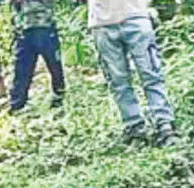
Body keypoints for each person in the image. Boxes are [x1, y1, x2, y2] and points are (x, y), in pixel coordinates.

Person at [85, 0, 175, 145]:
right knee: (118, 81)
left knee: (150, 74)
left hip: (135, 16)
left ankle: (164, 124)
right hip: (102, 22)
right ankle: (134, 126)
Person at [9, 0, 65, 111]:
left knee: (55, 67)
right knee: (22, 69)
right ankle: (17, 104)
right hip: (24, 28)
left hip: (45, 25)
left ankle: (59, 100)